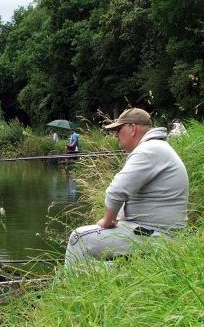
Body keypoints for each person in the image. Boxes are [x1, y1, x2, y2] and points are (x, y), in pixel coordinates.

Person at [64, 108, 189, 266]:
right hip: (156, 233)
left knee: (79, 238)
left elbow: (116, 191)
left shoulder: (148, 150)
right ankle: (110, 278)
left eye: (118, 129)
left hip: (157, 236)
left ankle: (73, 286)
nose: (115, 135)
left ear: (133, 128)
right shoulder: (157, 147)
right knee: (95, 260)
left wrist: (107, 221)